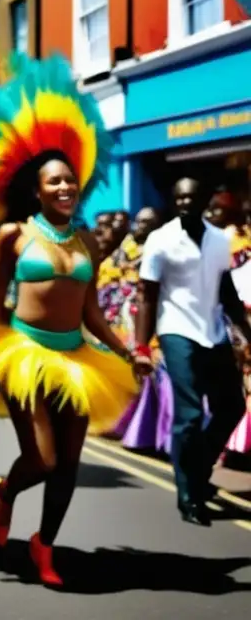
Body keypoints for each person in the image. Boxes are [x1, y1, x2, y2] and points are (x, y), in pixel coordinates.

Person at [0, 55, 143, 586]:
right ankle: (6, 492)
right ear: (37, 190)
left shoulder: (88, 244)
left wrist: (123, 351)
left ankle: (45, 545)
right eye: (54, 182)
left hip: (77, 356)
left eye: (70, 181)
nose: (64, 188)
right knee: (43, 459)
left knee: (69, 466)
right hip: (24, 353)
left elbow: (91, 309)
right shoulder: (14, 235)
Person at [135, 177, 249, 526]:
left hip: (212, 333)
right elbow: (146, 294)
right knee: (189, 415)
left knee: (232, 407)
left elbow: (226, 290)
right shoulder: (161, 240)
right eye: (179, 197)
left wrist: (246, 333)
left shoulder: (219, 239)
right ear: (174, 201)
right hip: (176, 330)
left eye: (191, 197)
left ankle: (197, 471)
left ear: (204, 201)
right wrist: (141, 345)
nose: (184, 203)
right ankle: (189, 495)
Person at [99, 207, 171, 453]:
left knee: (144, 373)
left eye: (147, 222)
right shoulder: (124, 248)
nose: (140, 226)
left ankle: (143, 429)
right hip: (118, 315)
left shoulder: (158, 249)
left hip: (144, 317)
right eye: (138, 222)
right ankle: (116, 420)